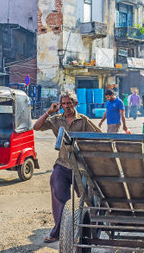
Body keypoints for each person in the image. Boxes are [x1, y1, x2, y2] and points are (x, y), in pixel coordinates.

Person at [33, 91, 101, 243]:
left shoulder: (83, 120)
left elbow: (99, 135)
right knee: (58, 194)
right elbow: (36, 127)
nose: (66, 106)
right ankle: (59, 230)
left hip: (81, 166)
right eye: (63, 103)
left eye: (69, 103)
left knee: (87, 198)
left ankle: (91, 228)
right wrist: (48, 112)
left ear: (75, 104)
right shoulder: (56, 119)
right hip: (62, 164)